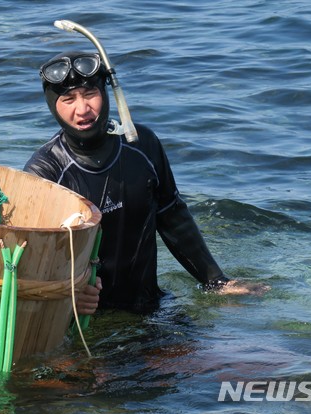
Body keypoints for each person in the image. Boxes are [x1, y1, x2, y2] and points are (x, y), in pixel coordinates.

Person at [24, 51, 265, 315]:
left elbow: (173, 216)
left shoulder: (141, 146)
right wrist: (67, 298)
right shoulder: (45, 172)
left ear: (106, 93)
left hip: (152, 308)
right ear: (52, 105)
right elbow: (31, 259)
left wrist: (216, 281)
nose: (82, 109)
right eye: (68, 99)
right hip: (88, 320)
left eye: (90, 94)